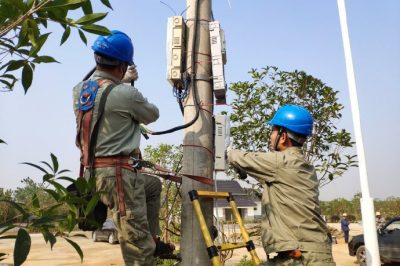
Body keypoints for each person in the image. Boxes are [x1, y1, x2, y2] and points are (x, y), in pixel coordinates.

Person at [73, 30, 163, 265]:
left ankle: (153, 237)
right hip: (119, 177)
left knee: (153, 186)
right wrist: (125, 86)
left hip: (92, 175)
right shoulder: (126, 94)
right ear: (123, 65)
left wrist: (118, 83)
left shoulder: (79, 91)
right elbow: (152, 114)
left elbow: (102, 96)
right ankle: (146, 244)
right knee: (137, 247)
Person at [228, 104, 335, 266]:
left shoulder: (282, 162)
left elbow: (239, 156)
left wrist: (224, 147)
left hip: (303, 256)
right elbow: (272, 178)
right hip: (309, 252)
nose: (270, 136)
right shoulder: (300, 165)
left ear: (283, 136)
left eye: (273, 131)